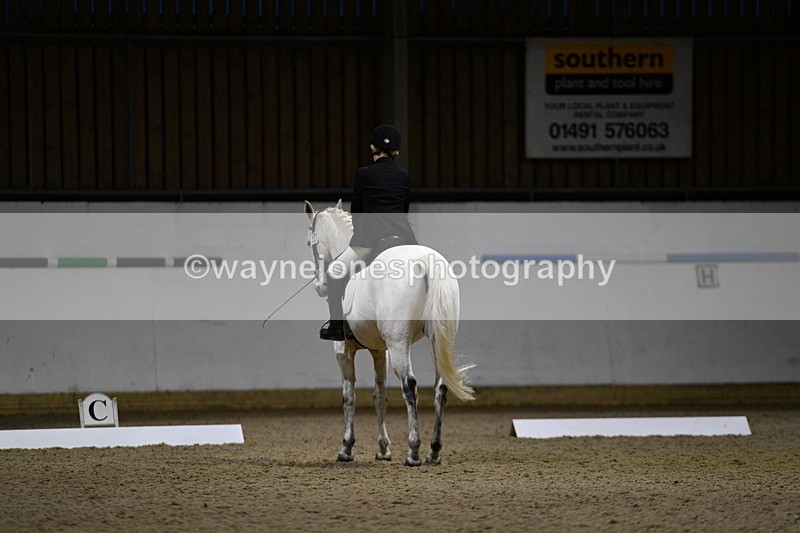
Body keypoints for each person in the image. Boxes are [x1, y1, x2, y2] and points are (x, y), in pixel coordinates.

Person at [320, 124, 418, 341]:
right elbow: (404, 210)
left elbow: (356, 212)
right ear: (396, 152)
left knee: (334, 272)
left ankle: (336, 327)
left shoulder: (363, 174)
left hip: (370, 241)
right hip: (403, 240)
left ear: (373, 148)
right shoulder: (403, 176)